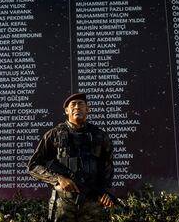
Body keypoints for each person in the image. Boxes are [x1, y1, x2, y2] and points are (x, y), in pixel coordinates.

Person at [27, 93, 114, 222]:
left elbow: (108, 167)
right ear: (67, 111)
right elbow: (33, 166)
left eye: (81, 104)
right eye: (73, 105)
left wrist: (105, 192)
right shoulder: (54, 135)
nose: (77, 107)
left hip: (92, 202)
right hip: (63, 203)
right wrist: (58, 179)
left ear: (87, 109)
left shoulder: (100, 136)